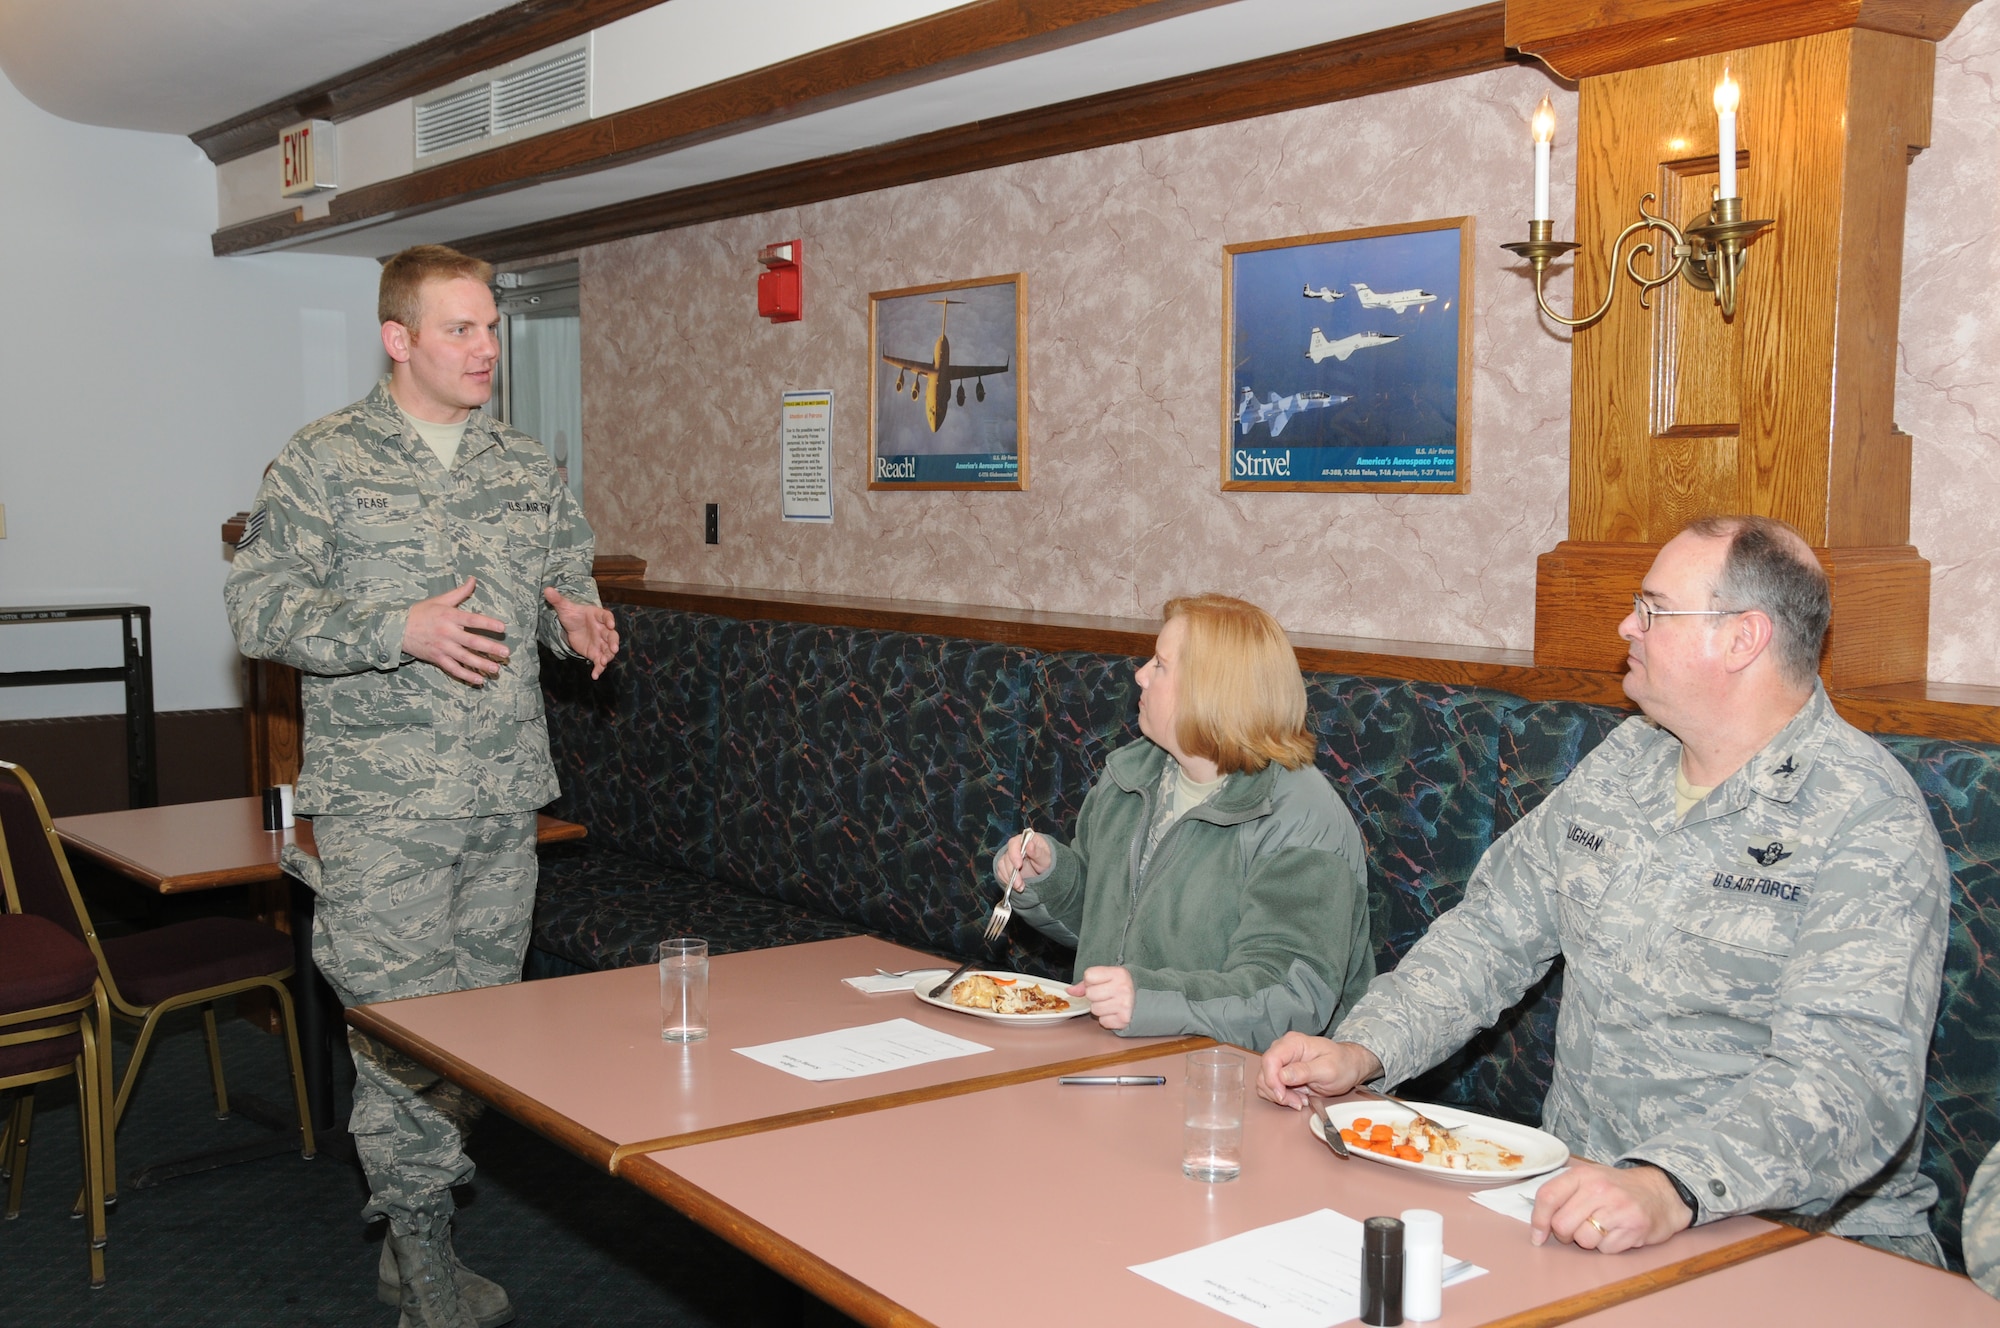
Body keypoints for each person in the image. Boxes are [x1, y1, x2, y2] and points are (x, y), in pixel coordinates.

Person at [1259, 516, 1950, 1262]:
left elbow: (1851, 1082)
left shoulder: (1866, 814)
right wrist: (1364, 1046)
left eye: (1653, 610)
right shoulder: (1627, 762)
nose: (1628, 625)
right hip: (1577, 1204)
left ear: (1744, 638)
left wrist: (1670, 1185)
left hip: (1797, 1239)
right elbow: (1491, 934)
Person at [225, 245, 618, 1328]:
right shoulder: (321, 462)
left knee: (475, 1036)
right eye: (461, 329)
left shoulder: (523, 466)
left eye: (491, 327)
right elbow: (256, 612)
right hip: (382, 808)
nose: (487, 347)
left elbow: (558, 579)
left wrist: (571, 618)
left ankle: (414, 1236)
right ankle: (424, 1259)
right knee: (401, 1035)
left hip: (499, 798)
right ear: (398, 338)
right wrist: (394, 629)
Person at [993, 593, 1371, 1053]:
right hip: (1117, 1053)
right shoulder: (1130, 776)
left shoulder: (1300, 817)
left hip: (1254, 1081)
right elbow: (1108, 929)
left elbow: (1287, 996)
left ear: (1209, 692)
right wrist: (1047, 877)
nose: (1140, 674)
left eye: (1160, 664)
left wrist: (1150, 999)